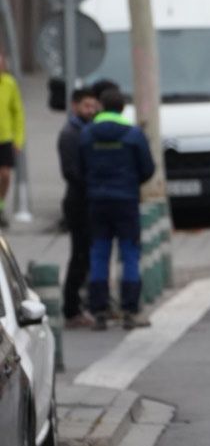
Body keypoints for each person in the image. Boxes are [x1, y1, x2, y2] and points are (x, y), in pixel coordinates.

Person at [79, 81, 156, 329]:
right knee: (130, 254)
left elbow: (80, 167)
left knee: (99, 254)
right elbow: (148, 168)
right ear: (122, 108)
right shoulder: (133, 134)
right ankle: (130, 311)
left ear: (101, 107)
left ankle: (99, 310)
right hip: (126, 201)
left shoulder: (88, 134)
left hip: (97, 202)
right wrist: (131, 183)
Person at [57, 85, 100, 326]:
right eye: (86, 105)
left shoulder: (85, 129)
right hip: (78, 203)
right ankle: (71, 308)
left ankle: (82, 303)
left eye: (94, 105)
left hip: (87, 201)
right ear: (75, 106)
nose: (91, 110)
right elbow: (71, 172)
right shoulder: (70, 134)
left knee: (86, 256)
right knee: (80, 256)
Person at [0, 49, 24, 228]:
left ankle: (0, 206)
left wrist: (18, 138)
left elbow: (18, 113)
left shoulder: (9, 83)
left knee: (5, 175)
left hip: (5, 137)